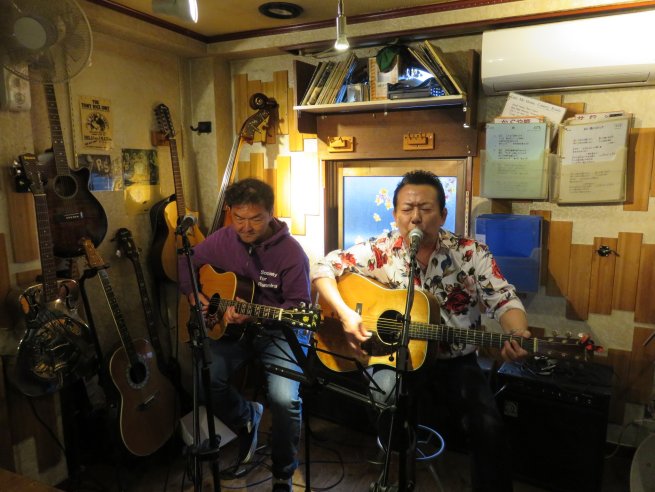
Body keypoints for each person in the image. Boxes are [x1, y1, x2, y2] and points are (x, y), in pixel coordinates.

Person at [311, 170, 530, 491]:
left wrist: (517, 332)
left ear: (442, 214)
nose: (415, 217)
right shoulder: (380, 249)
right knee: (385, 398)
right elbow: (322, 267)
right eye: (407, 209)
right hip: (397, 358)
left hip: (455, 361)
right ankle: (402, 458)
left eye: (425, 209)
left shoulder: (471, 253)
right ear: (395, 214)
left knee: (488, 427)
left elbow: (505, 299)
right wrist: (345, 314)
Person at [177, 178, 310, 492]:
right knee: (205, 380)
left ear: (271, 213)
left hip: (281, 331)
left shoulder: (292, 254)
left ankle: (283, 473)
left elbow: (299, 306)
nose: (246, 227)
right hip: (236, 332)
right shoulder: (223, 239)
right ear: (230, 213)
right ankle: (246, 416)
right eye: (239, 218)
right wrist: (195, 296)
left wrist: (253, 313)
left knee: (285, 399)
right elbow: (187, 260)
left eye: (255, 219)